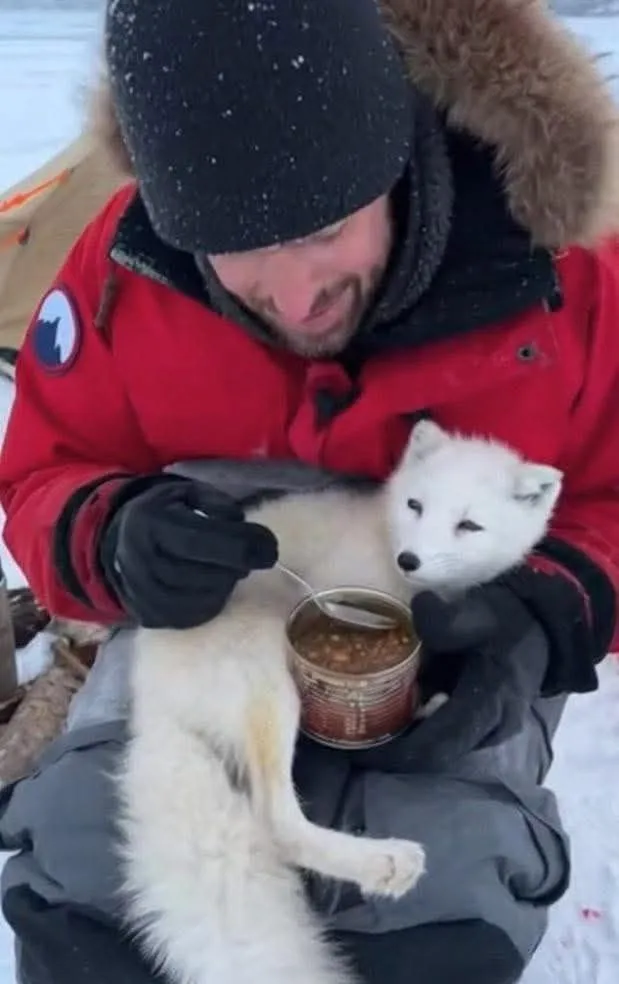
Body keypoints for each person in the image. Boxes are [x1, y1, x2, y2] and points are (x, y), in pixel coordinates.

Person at [0, 0, 618, 982]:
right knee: (80, 875)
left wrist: (548, 610)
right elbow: (47, 466)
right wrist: (112, 537)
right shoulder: (121, 268)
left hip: (453, 654)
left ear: (398, 157)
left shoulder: (575, 278)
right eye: (235, 247)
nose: (294, 298)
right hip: (209, 633)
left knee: (437, 900)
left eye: (326, 228)